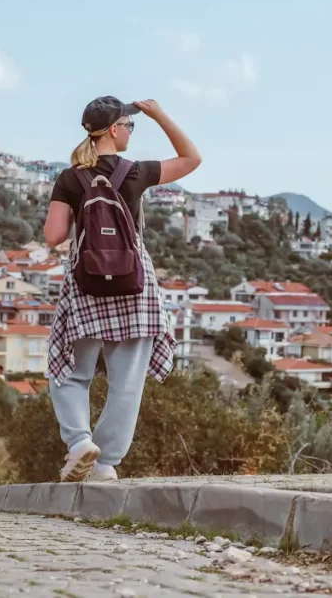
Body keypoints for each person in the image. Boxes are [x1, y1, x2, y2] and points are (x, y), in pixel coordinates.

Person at [43, 96, 202, 482]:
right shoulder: (136, 172)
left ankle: (80, 441)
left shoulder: (70, 178)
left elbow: (53, 236)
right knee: (127, 382)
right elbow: (191, 158)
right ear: (114, 130)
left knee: (68, 370)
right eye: (130, 125)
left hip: (86, 284)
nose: (132, 131)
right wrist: (159, 113)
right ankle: (104, 464)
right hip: (135, 284)